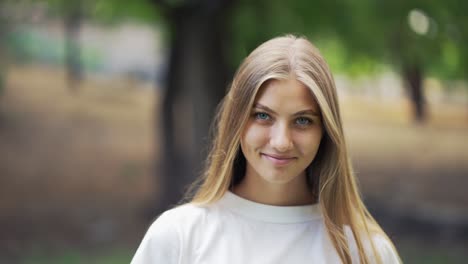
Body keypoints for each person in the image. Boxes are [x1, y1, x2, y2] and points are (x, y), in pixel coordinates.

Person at [131, 35, 401, 264]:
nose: (281, 141)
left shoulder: (366, 253)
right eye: (263, 116)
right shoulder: (179, 238)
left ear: (326, 132)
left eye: (303, 120)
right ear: (236, 121)